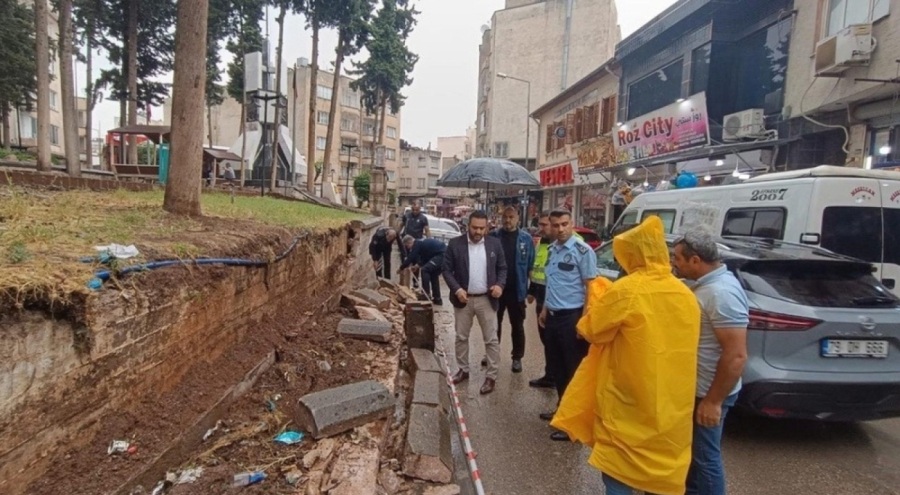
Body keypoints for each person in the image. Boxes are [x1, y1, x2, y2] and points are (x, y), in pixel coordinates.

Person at [556, 216, 701, 495]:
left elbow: (591, 330)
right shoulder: (685, 294)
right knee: (661, 477)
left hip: (629, 403)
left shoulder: (627, 290)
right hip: (672, 406)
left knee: (619, 474)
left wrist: (600, 297)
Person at [672, 228, 749, 495]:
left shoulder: (721, 293)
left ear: (695, 261)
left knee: (705, 460)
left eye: (678, 258)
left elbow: (736, 355)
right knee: (695, 457)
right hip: (699, 389)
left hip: (708, 391)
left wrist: (713, 401)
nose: (674, 263)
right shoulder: (706, 286)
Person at [538, 209, 598, 441]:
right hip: (553, 316)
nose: (560, 229)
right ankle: (562, 411)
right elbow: (552, 283)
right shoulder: (552, 250)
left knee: (573, 371)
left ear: (572, 223)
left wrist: (583, 322)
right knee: (558, 369)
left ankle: (574, 425)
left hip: (571, 318)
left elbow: (590, 289)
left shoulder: (583, 252)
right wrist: (544, 310)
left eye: (565, 224)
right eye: (556, 225)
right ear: (550, 226)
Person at [442, 210, 507, 395]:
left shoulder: (495, 244)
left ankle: (491, 376)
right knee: (461, 337)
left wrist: (500, 285)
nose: (478, 232)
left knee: (491, 339)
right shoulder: (455, 244)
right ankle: (463, 369)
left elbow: (502, 268)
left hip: (487, 299)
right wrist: (457, 289)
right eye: (474, 228)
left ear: (487, 227)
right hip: (463, 299)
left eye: (482, 228)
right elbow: (446, 270)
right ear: (467, 225)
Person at [489, 206, 534, 373]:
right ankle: (492, 355)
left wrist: (531, 290)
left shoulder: (526, 239)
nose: (508, 220)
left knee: (517, 325)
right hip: (496, 290)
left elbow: (530, 265)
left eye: (511, 217)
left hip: (517, 290)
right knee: (494, 325)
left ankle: (517, 358)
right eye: (505, 217)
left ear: (518, 218)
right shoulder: (493, 237)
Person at [526, 212, 555, 388]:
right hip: (541, 297)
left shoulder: (563, 245)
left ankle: (556, 378)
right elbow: (537, 270)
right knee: (546, 340)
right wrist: (531, 291)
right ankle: (550, 375)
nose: (540, 228)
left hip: (555, 301)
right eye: (540, 224)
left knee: (554, 342)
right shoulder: (542, 244)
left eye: (544, 225)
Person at [399, 235, 446, 305]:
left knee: (424, 270)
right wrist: (417, 266)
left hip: (441, 255)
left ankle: (426, 294)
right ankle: (437, 299)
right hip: (439, 255)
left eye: (407, 246)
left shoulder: (417, 244)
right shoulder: (421, 244)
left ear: (409, 242)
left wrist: (401, 268)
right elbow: (425, 258)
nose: (408, 249)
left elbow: (411, 257)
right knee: (434, 275)